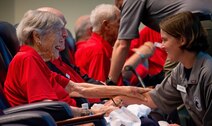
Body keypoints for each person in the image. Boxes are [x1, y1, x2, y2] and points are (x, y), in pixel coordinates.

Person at [3, 9, 148, 117]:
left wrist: (127, 90)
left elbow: (76, 88)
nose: (65, 36)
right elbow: (50, 108)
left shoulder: (36, 60)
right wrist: (93, 112)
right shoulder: (27, 59)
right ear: (37, 36)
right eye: (59, 31)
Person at [118, 11, 212, 126]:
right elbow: (154, 98)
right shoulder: (180, 70)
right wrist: (117, 100)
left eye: (165, 40)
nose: (162, 46)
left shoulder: (209, 74)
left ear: (182, 40)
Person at [109, 0, 212, 84]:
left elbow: (122, 45)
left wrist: (110, 83)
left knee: (172, 79)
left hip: (195, 26)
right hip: (205, 22)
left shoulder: (129, 2)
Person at [75, 4, 121, 83]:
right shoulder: (98, 51)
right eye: (119, 22)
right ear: (106, 25)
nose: (122, 26)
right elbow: (99, 90)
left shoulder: (97, 47)